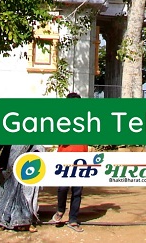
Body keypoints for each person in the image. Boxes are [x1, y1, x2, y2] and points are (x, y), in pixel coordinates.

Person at [52, 91, 87, 233]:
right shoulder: (62, 119)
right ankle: (60, 210)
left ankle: (73, 220)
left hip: (82, 158)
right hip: (64, 158)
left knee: (77, 191)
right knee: (63, 187)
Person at [0, 141, 43, 231]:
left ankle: (24, 221)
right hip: (8, 169)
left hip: (24, 170)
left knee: (24, 196)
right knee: (6, 194)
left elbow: (38, 148)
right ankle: (2, 218)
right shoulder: (11, 131)